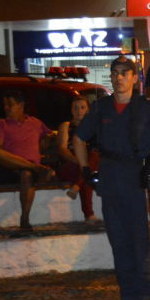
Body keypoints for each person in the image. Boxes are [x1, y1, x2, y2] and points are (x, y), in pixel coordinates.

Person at [74, 58, 150, 300]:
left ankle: (144, 296)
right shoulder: (101, 108)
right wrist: (86, 170)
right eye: (115, 73)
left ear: (135, 78)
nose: (119, 77)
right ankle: (128, 296)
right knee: (118, 239)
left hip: (137, 179)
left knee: (141, 239)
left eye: (125, 73)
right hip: (111, 177)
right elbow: (78, 138)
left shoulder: (148, 106)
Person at [0, 91, 55, 234]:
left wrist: (48, 139)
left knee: (26, 174)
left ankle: (24, 219)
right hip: (10, 168)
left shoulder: (35, 123)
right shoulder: (1, 123)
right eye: (5, 105)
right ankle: (35, 167)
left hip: (28, 173)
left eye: (10, 105)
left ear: (21, 105)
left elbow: (50, 135)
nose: (6, 108)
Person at [54, 95, 98, 224]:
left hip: (88, 164)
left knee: (90, 165)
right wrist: (80, 161)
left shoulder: (93, 127)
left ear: (88, 110)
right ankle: (89, 215)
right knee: (86, 171)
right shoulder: (66, 126)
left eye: (82, 107)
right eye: (75, 108)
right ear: (71, 110)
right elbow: (62, 149)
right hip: (70, 164)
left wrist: (85, 164)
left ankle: (77, 186)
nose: (79, 111)